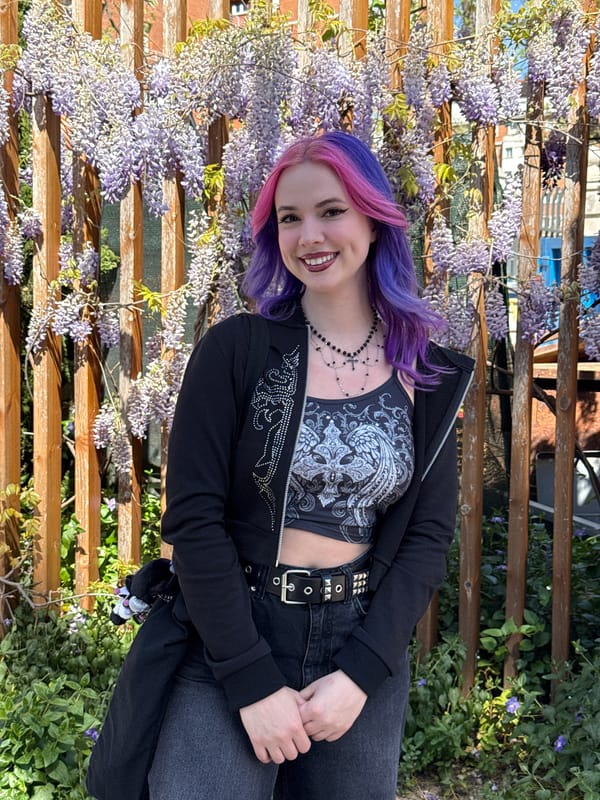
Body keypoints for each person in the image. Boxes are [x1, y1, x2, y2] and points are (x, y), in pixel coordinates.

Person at [147, 131, 474, 800]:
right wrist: (249, 677)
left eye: (331, 211)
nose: (309, 236)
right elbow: (195, 522)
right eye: (289, 218)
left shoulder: (428, 374)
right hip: (233, 628)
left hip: (355, 644)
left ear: (373, 218)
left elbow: (426, 540)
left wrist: (362, 673)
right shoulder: (236, 350)